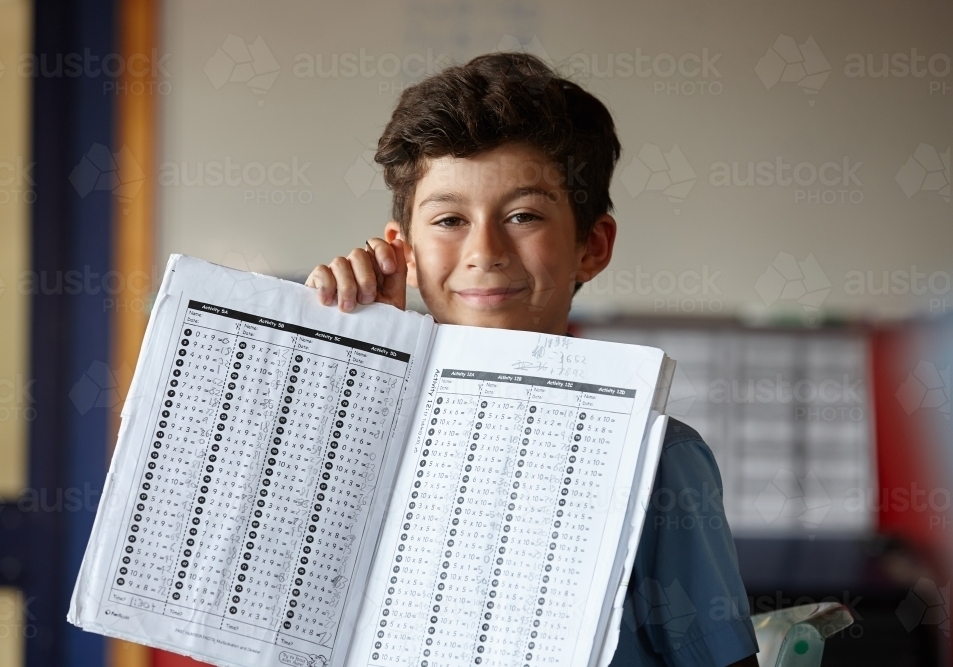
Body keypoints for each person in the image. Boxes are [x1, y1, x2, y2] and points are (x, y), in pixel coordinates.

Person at [305, 52, 760, 667]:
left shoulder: (657, 460)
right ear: (404, 252)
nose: (485, 251)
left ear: (591, 246)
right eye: (449, 219)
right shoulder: (353, 429)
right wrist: (365, 359)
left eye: (523, 215)